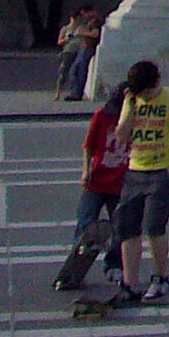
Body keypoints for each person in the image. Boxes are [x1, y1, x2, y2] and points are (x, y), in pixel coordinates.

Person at [112, 60, 169, 303]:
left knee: (154, 227)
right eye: (142, 94)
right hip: (135, 170)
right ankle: (130, 283)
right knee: (127, 229)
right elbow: (121, 136)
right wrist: (129, 107)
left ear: (158, 82)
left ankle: (161, 278)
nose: (147, 97)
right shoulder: (133, 100)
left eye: (149, 92)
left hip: (162, 171)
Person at [56, 82, 131, 293]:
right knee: (85, 224)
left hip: (121, 183)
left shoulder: (136, 119)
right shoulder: (101, 116)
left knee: (121, 227)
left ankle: (114, 264)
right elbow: (89, 147)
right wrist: (85, 170)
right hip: (96, 181)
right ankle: (75, 267)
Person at [56, 7, 102, 100]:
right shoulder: (87, 22)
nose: (83, 16)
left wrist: (82, 33)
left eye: (84, 13)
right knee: (75, 70)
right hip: (83, 47)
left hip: (88, 48)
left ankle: (76, 93)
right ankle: (75, 92)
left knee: (80, 70)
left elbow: (95, 34)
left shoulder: (94, 22)